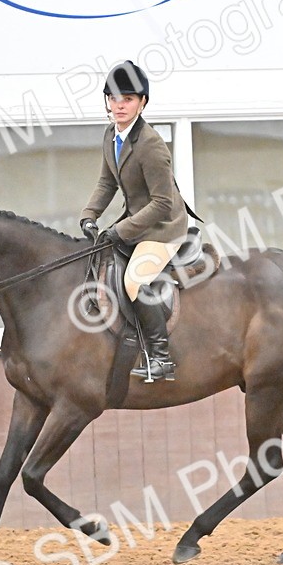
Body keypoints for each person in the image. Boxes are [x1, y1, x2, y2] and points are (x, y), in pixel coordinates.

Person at [80, 61, 189, 381]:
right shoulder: (110, 135)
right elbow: (106, 183)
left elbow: (162, 203)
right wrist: (89, 215)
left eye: (127, 99)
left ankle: (160, 356)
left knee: (134, 280)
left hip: (163, 227)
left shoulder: (151, 145)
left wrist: (120, 230)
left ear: (142, 102)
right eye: (113, 99)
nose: (119, 105)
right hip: (137, 221)